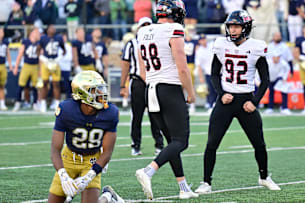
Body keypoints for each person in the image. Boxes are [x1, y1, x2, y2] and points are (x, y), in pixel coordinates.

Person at [195, 9, 281, 194]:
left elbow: (265, 80)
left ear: (246, 27)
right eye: (230, 26)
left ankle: (264, 177)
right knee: (212, 143)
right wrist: (221, 93)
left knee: (259, 143)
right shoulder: (221, 45)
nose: (232, 30)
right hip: (226, 100)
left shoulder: (256, 47)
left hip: (246, 101)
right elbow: (215, 74)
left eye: (236, 26)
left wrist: (255, 101)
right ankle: (206, 182)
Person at [135, 0, 198, 200]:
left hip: (150, 89)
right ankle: (149, 170)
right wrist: (191, 91)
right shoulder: (175, 28)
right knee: (181, 141)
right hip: (168, 89)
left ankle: (183, 187)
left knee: (172, 142)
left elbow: (143, 69)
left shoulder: (143, 31)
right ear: (176, 12)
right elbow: (182, 66)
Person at [47, 71, 124, 203]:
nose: (102, 94)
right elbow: (55, 149)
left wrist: (90, 175)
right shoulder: (67, 109)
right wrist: (63, 175)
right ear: (83, 93)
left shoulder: (110, 113)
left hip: (92, 159)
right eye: (96, 90)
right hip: (69, 158)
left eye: (102, 89)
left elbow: (107, 152)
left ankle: (107, 197)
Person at [120, 17, 164, 156]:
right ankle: (136, 145)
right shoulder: (132, 44)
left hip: (153, 82)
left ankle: (159, 144)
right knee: (137, 115)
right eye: (143, 25)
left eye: (148, 25)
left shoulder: (158, 42)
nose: (146, 27)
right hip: (138, 82)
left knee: (155, 115)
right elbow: (125, 65)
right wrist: (122, 85)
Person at [38, 24, 66, 112]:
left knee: (56, 84)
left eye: (54, 28)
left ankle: (57, 104)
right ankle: (43, 103)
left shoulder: (59, 38)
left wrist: (59, 58)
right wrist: (43, 58)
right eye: (51, 28)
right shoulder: (43, 38)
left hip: (55, 62)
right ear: (47, 30)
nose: (53, 29)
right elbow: (37, 50)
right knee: (44, 82)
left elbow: (64, 50)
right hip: (46, 63)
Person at [12, 27, 40, 112]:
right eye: (36, 32)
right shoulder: (25, 42)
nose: (38, 34)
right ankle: (17, 103)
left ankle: (35, 103)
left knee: (35, 86)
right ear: (31, 33)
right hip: (26, 65)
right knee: (21, 85)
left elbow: (40, 56)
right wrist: (16, 67)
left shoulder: (39, 43)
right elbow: (20, 54)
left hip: (35, 66)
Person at [195, 33, 217, 112]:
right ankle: (211, 104)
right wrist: (201, 77)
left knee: (218, 89)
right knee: (210, 89)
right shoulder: (199, 51)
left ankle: (216, 104)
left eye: (204, 39)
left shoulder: (212, 45)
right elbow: (199, 65)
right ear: (199, 41)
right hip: (208, 72)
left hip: (217, 71)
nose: (203, 41)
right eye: (201, 40)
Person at [184, 24, 198, 114]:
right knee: (181, 86)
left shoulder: (195, 42)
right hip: (183, 64)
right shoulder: (181, 41)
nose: (191, 32)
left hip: (191, 64)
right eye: (190, 30)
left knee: (191, 85)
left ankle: (192, 105)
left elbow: (197, 54)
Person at [0, 28, 12, 110]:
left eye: (2, 31)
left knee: (2, 86)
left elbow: (8, 53)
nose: (1, 33)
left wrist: (10, 65)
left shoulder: (5, 42)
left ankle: (2, 103)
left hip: (3, 65)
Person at [58, 32, 72, 99]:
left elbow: (69, 58)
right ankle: (55, 99)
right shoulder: (57, 46)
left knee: (67, 84)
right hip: (58, 67)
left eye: (64, 37)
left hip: (66, 68)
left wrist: (60, 58)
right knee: (56, 83)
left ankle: (68, 98)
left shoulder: (69, 47)